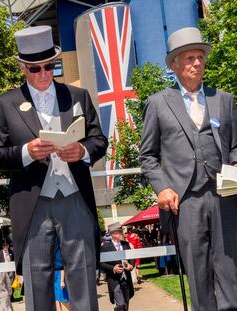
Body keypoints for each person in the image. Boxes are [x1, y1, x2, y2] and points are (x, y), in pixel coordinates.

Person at [0, 25, 108, 311]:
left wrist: (82, 151)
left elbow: (99, 140)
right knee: (37, 282)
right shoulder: (5, 104)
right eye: (35, 69)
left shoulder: (77, 96)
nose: (43, 74)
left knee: (83, 280)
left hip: (75, 197)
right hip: (32, 202)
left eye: (48, 66)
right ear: (22, 68)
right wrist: (26, 152)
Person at [140, 27, 237, 310]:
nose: (197, 63)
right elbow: (148, 156)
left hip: (225, 195)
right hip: (184, 200)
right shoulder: (157, 103)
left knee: (230, 266)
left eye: (200, 58)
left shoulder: (224, 99)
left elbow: (234, 145)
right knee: (197, 269)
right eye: (189, 58)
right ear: (174, 64)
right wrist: (163, 187)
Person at [101, 222, 135, 311]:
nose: (122, 234)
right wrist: (113, 268)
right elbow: (102, 264)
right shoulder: (105, 247)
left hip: (126, 280)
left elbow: (132, 258)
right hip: (114, 281)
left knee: (126, 305)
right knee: (121, 305)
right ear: (114, 234)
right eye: (120, 232)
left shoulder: (125, 244)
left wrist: (131, 265)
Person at [54, 242, 70, 311]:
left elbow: (61, 265)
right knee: (56, 299)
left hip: (59, 275)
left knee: (62, 298)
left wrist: (62, 281)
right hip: (53, 275)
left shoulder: (58, 248)